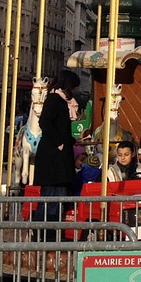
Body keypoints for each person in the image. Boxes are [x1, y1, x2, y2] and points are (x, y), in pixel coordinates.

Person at [33, 70, 80, 218]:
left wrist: (70, 140)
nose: (75, 91)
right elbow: (45, 122)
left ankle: (49, 229)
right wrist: (59, 142)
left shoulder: (59, 100)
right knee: (51, 198)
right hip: (53, 158)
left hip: (57, 157)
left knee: (56, 197)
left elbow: (60, 128)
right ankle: (44, 231)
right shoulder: (54, 99)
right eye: (73, 87)